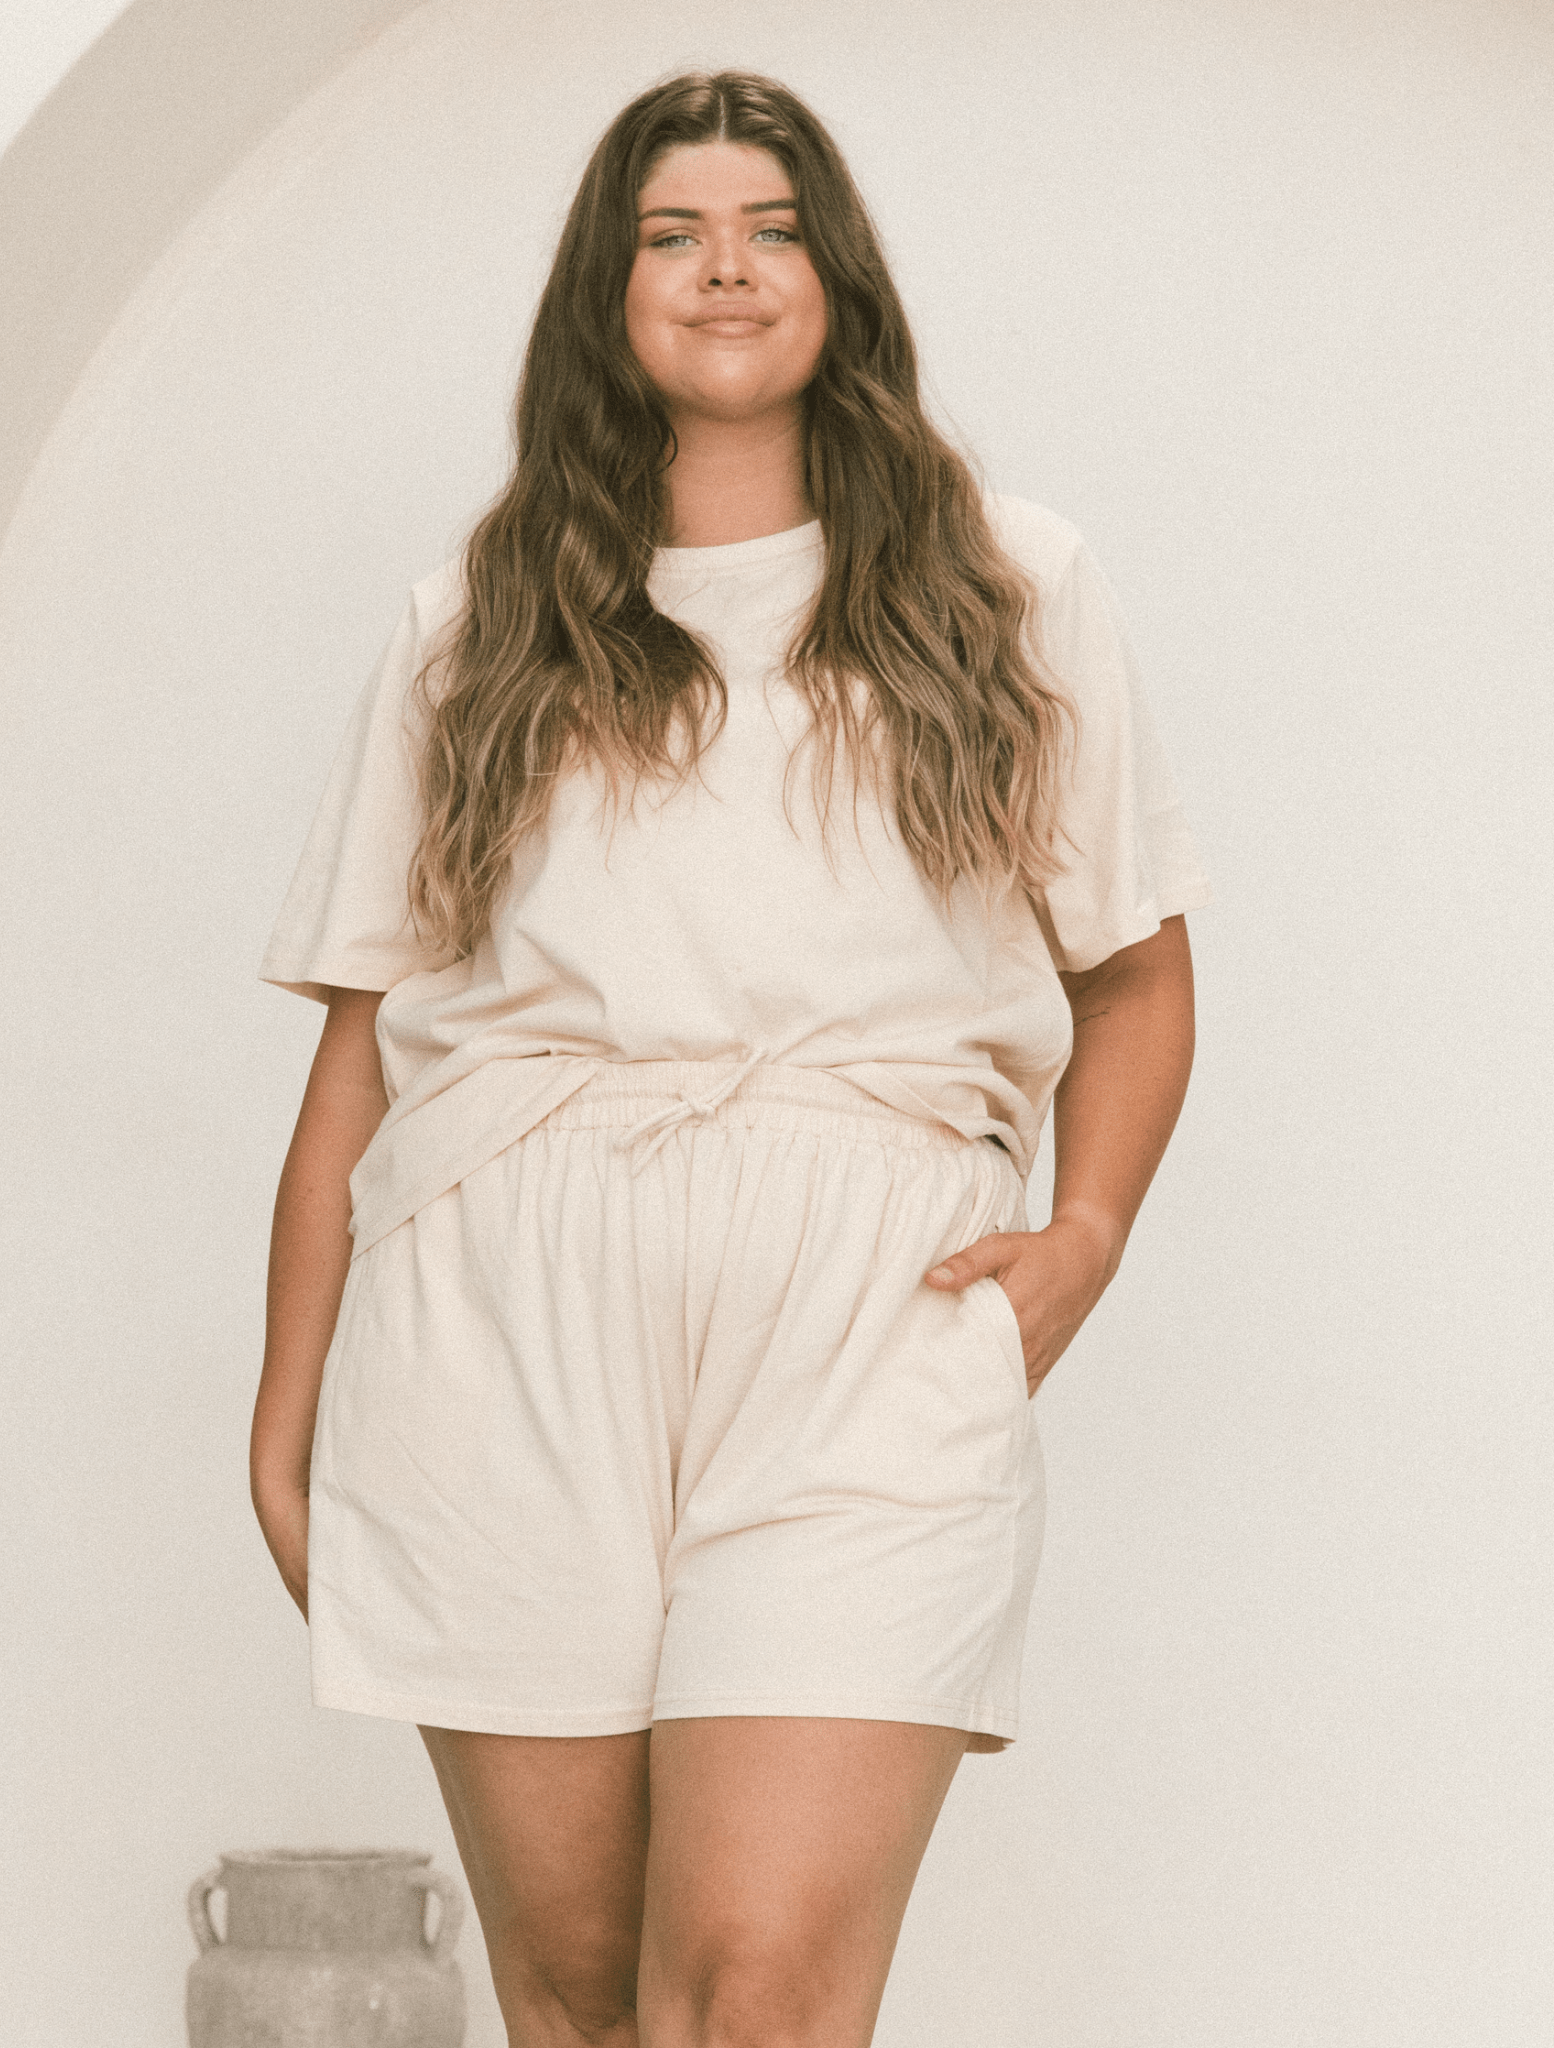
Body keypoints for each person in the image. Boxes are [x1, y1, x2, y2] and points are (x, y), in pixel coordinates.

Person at [250, 68, 1209, 2048]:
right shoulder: (476, 623)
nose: (725, 270)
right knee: (580, 1997)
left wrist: (1086, 1235)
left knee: (755, 1990)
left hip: (871, 1309)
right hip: (504, 1312)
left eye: (771, 230)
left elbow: (1132, 971)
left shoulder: (1005, 583)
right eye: (671, 234)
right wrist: (285, 1408)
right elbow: (364, 1052)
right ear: (604, 293)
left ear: (836, 275)